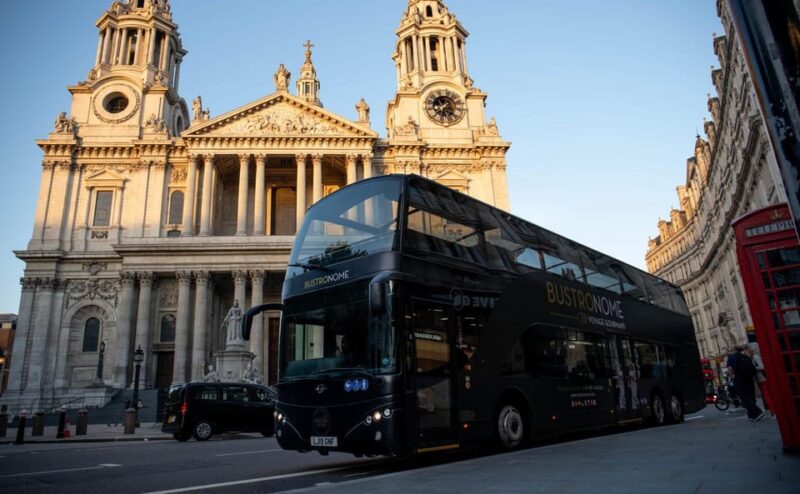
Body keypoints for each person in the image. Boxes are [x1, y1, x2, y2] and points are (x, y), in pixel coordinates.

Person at [726, 344, 765, 421]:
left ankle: (757, 412)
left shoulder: (731, 357)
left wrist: (732, 377)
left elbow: (730, 369)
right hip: (749, 378)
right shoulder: (746, 356)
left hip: (739, 379)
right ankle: (752, 415)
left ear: (733, 351)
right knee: (751, 396)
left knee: (744, 398)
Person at [746, 343, 774, 416]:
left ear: (753, 348)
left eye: (749, 348)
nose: (748, 349)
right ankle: (772, 410)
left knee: (767, 396)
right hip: (760, 379)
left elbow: (762, 367)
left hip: (762, 378)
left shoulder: (755, 357)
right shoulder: (753, 356)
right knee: (766, 396)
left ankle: (773, 411)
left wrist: (753, 368)